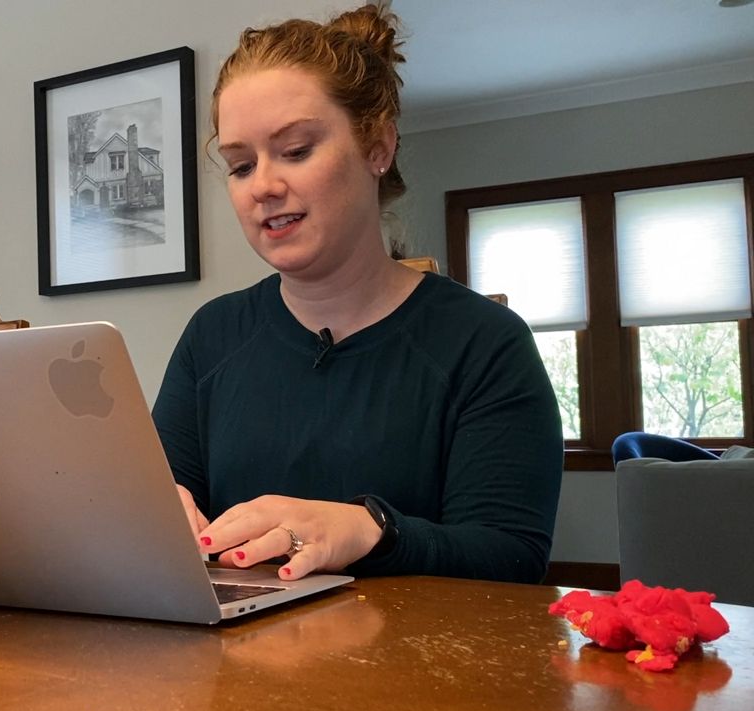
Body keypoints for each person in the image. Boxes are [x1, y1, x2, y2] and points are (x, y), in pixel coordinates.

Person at [152, 2, 562, 584]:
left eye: (295, 151)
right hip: (235, 666)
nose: (263, 186)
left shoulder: (484, 342)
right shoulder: (212, 336)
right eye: (241, 165)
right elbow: (172, 497)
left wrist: (374, 531)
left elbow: (511, 558)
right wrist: (158, 514)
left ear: (378, 147)